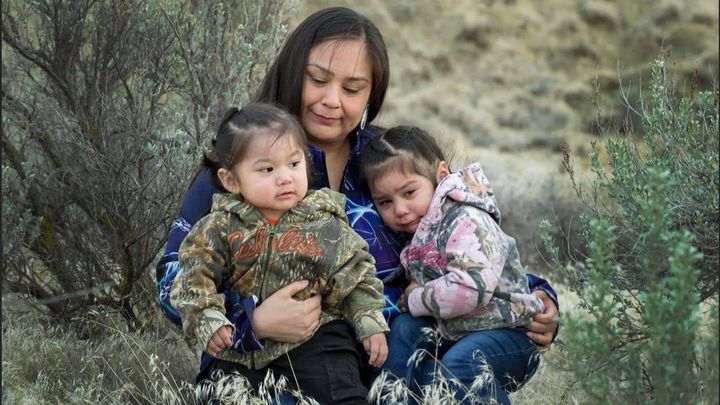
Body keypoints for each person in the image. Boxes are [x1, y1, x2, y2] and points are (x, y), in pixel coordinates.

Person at [155, 5, 559, 398]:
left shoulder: (390, 162)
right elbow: (173, 275)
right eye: (318, 79)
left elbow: (465, 235)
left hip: (399, 373)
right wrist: (251, 321)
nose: (333, 100)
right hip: (266, 375)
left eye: (352, 88)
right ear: (293, 73)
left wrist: (538, 298)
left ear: (371, 95)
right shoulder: (240, 165)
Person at [171, 103, 389, 403]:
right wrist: (207, 316)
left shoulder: (324, 220)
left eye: (294, 164)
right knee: (219, 392)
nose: (285, 177)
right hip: (241, 347)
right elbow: (193, 274)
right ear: (231, 181)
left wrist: (368, 318)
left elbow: (355, 272)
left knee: (341, 391)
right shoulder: (219, 226)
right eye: (268, 169)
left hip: (318, 339)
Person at [360, 126, 546, 404]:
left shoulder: (467, 220)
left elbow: (471, 289)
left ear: (441, 175)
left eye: (409, 192)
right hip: (457, 331)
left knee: (464, 363)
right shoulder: (424, 232)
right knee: (402, 331)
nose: (399, 209)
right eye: (385, 202)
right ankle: (389, 399)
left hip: (509, 335)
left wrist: (415, 298)